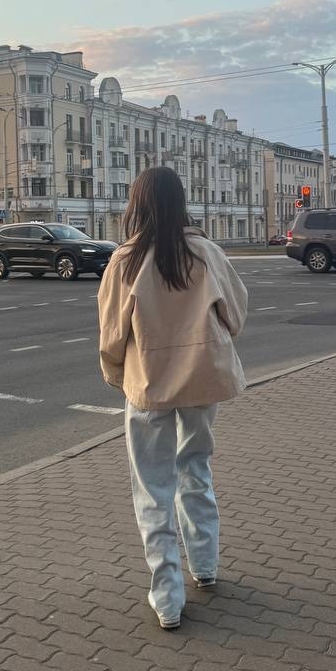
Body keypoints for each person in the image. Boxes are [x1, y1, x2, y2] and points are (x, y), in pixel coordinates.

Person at [97, 167, 248, 630]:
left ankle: (167, 597)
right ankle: (205, 565)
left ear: (137, 205)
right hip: (202, 379)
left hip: (148, 383)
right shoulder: (206, 252)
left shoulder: (126, 260)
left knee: (152, 487)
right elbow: (236, 314)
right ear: (181, 202)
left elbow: (112, 334)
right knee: (195, 469)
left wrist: (117, 375)